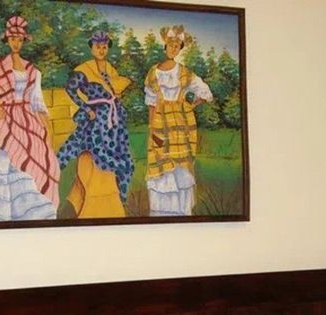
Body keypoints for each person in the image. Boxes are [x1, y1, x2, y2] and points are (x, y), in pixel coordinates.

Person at [0, 15, 59, 221]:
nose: (16, 43)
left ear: (24, 41)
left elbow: (37, 102)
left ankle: (34, 214)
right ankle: (6, 216)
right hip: (6, 122)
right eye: (12, 39)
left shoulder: (33, 71)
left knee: (41, 164)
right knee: (9, 166)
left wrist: (48, 130)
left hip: (29, 121)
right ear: (7, 41)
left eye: (19, 39)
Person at [57, 31, 134, 218]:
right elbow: (71, 90)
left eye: (104, 46)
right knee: (93, 152)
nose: (101, 50)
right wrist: (86, 107)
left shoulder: (110, 69)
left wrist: (117, 96)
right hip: (95, 120)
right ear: (91, 48)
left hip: (113, 120)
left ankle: (113, 199)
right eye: (98, 46)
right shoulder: (84, 69)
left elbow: (115, 91)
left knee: (123, 156)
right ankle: (86, 202)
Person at [143, 25, 213, 217]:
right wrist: (152, 128)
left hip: (181, 125)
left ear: (180, 50)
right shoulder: (153, 73)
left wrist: (190, 105)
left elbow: (205, 92)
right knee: (161, 160)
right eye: (171, 45)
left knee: (181, 164)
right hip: (160, 123)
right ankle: (162, 211)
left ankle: (181, 211)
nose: (173, 49)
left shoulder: (184, 72)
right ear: (165, 46)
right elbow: (151, 104)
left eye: (177, 47)